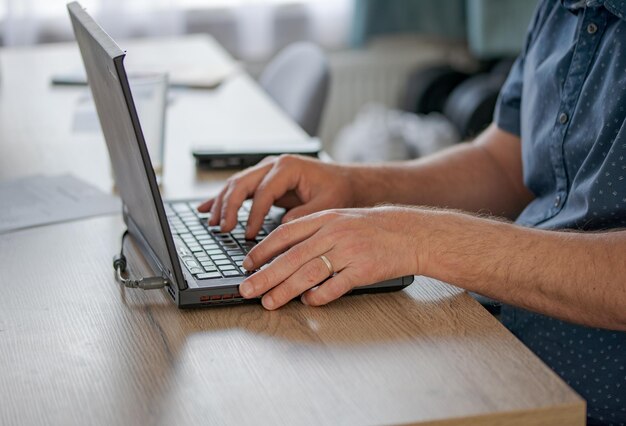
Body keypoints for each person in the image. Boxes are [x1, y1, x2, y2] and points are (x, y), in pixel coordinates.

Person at [198, 1, 626, 424]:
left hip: (580, 397)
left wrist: (418, 237)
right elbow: (504, 163)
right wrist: (355, 185)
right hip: (493, 339)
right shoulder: (561, 10)